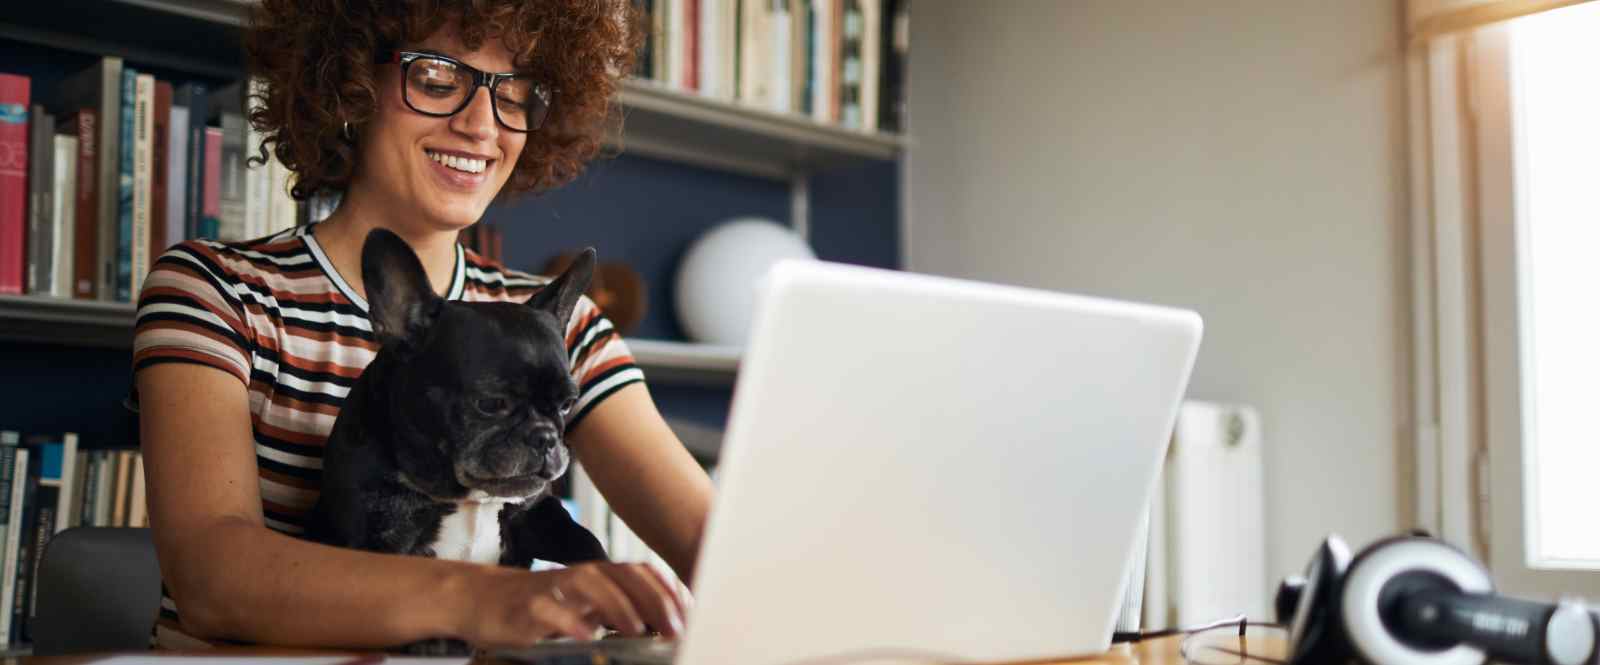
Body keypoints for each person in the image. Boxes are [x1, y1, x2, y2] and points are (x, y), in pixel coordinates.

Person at [131, 0, 714, 651]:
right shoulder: (220, 291)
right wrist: (482, 598)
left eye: (514, 95)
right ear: (349, 84)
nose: (481, 124)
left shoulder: (559, 324)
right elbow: (211, 580)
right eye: (437, 80)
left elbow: (713, 538)